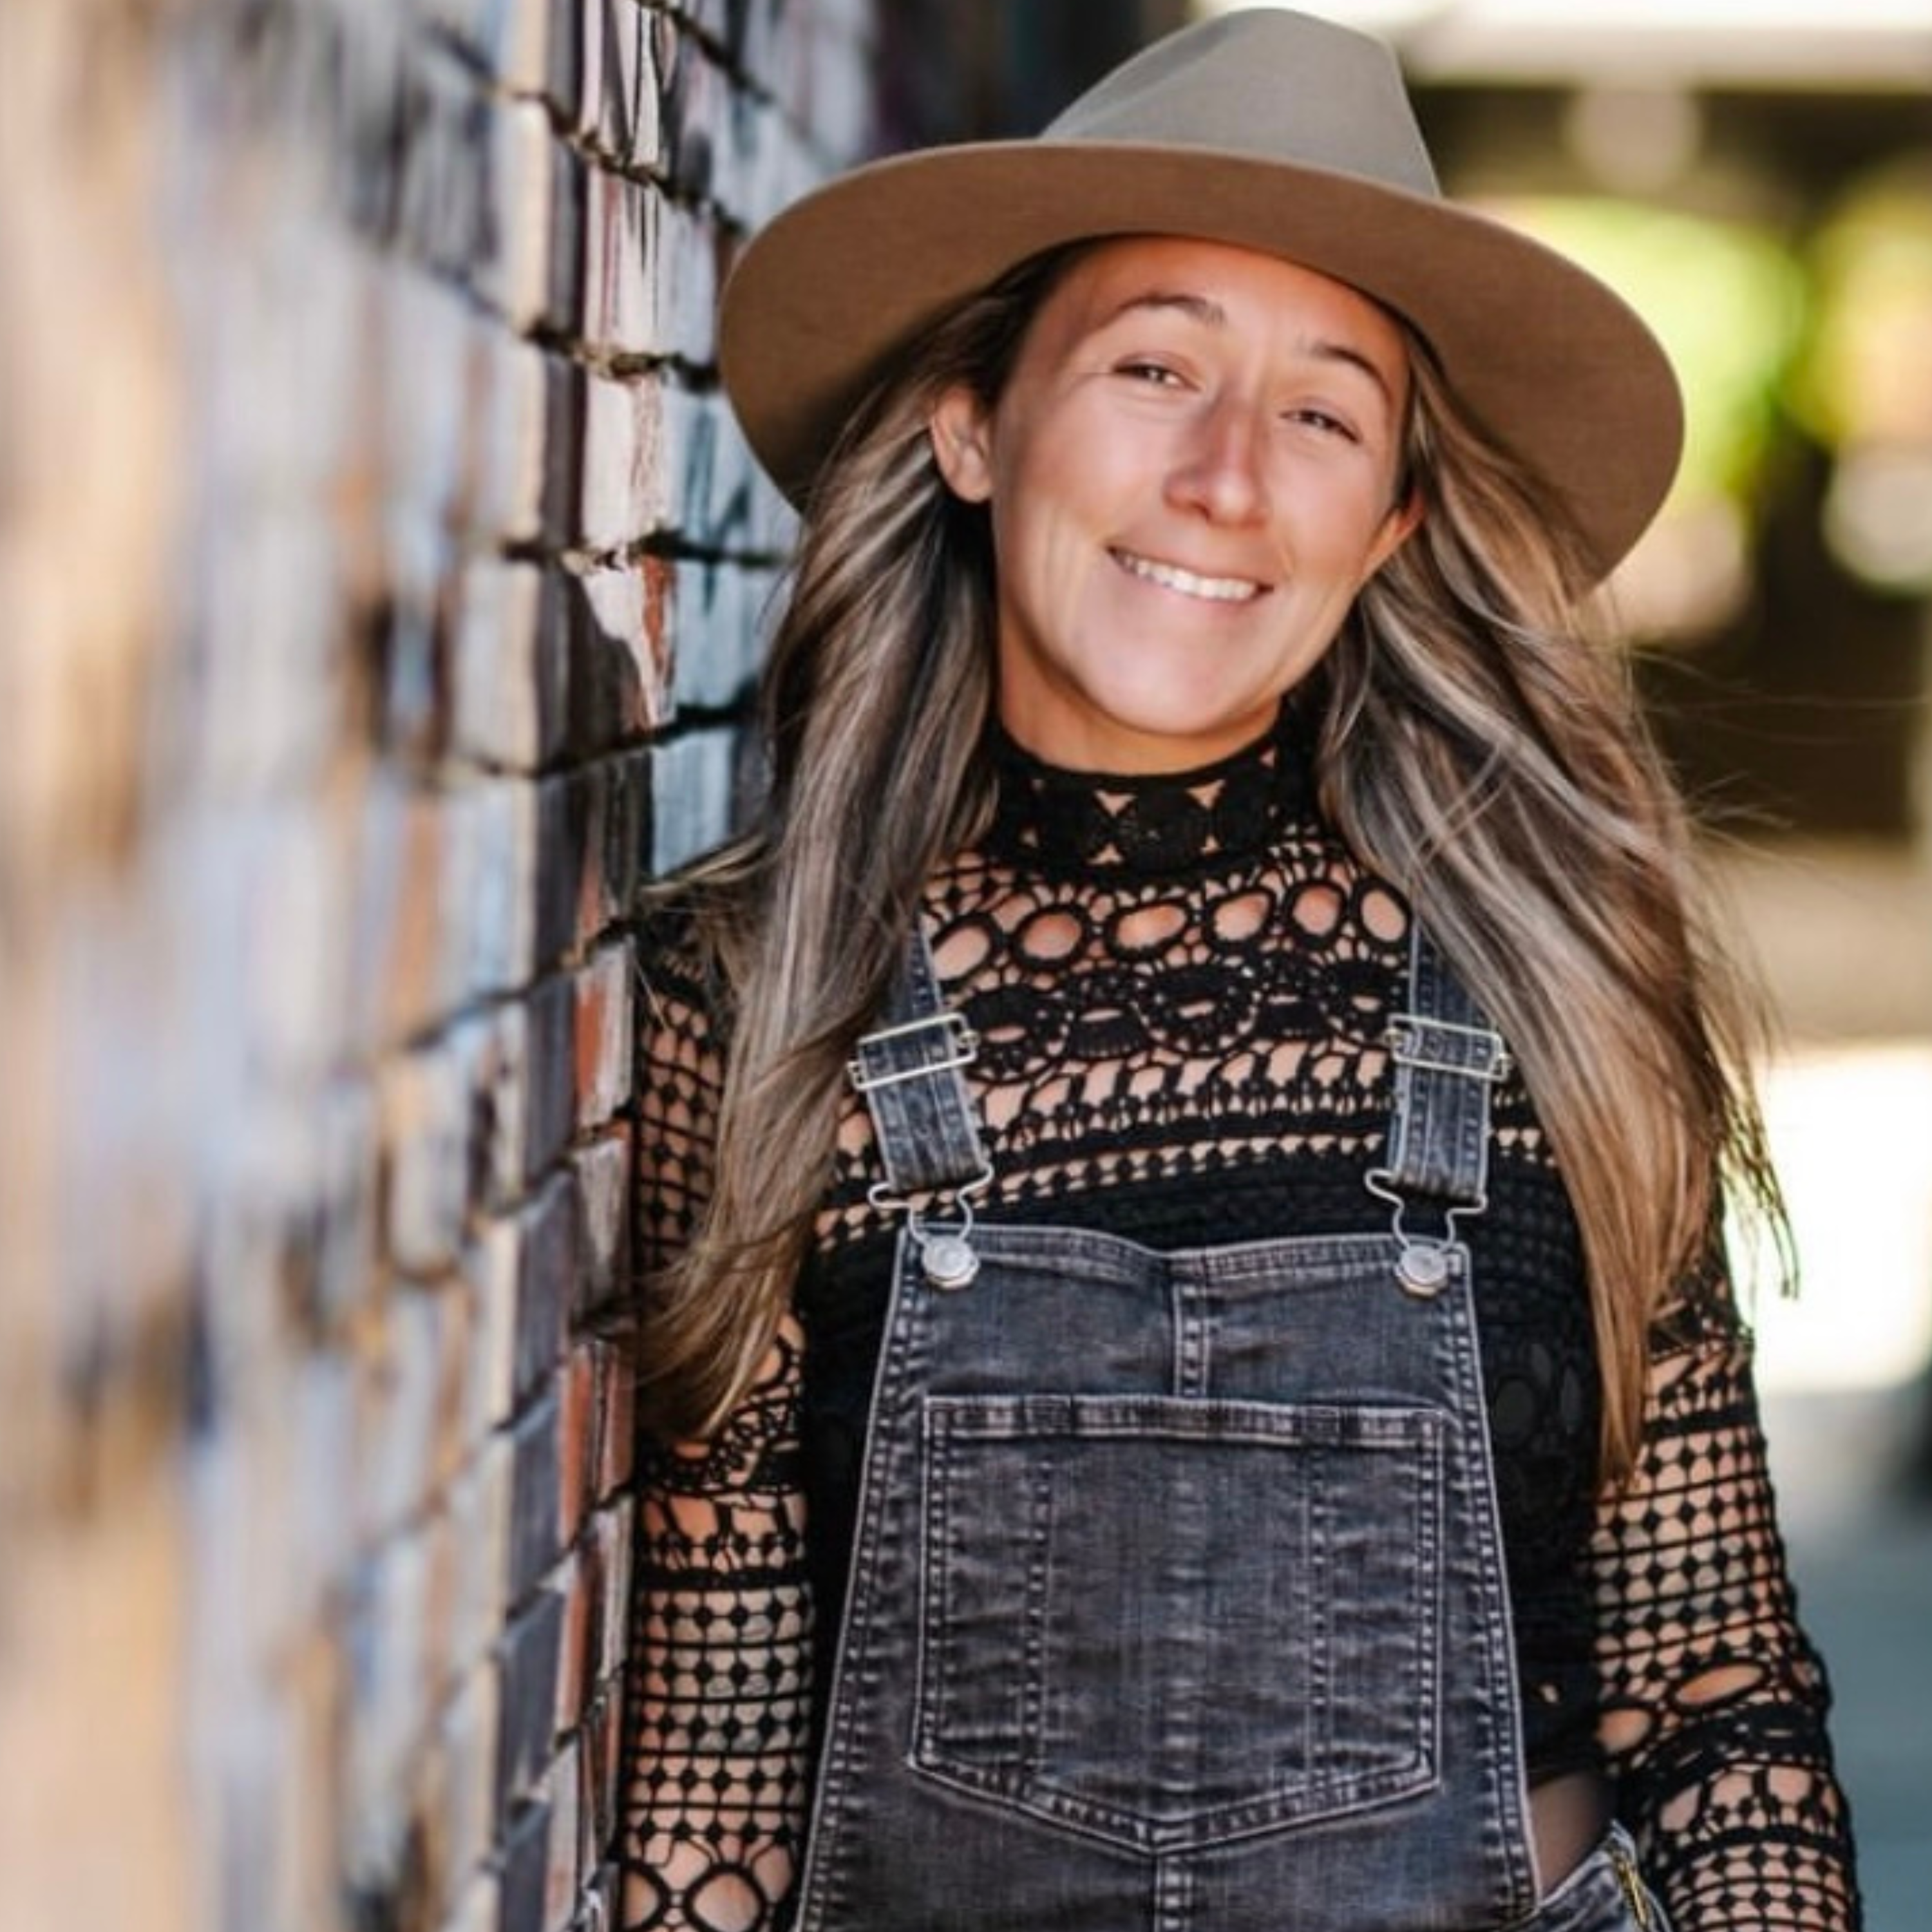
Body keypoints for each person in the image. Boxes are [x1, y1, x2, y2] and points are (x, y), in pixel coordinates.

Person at [619, 10, 1862, 1930]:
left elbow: (1716, 1701)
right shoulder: (767, 1004)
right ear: (974, 418)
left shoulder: (1557, 995)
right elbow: (712, 1795)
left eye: (1323, 411)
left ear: (1391, 523)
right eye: (1154, 365)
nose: (1225, 477)